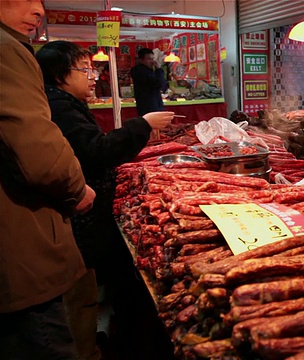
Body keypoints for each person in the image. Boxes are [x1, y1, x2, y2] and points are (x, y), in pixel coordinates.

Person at [35, 40, 175, 360]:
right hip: (81, 215)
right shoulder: (60, 108)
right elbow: (98, 151)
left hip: (85, 215)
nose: (93, 76)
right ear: (59, 75)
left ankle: (98, 341)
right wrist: (143, 125)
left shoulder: (61, 102)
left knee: (91, 289)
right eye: (85, 69)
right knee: (86, 292)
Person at [0, 1, 96, 359]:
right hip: (21, 247)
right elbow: (38, 153)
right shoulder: (7, 50)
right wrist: (77, 188)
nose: (38, 9)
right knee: (45, 341)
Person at [130, 47, 167, 116]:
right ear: (141, 60)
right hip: (149, 107)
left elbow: (162, 84)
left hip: (154, 104)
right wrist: (158, 69)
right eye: (149, 59)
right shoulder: (139, 71)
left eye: (152, 59)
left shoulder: (149, 70)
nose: (152, 61)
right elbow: (158, 83)